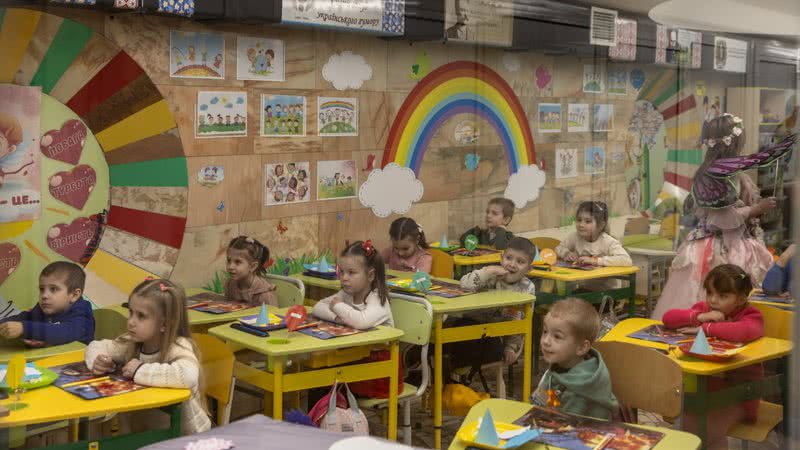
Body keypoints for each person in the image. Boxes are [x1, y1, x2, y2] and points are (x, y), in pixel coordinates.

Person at [651, 115, 792, 319]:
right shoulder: (715, 176)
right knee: (714, 289)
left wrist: (754, 205)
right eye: (741, 141)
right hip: (717, 245)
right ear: (733, 143)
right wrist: (754, 210)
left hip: (732, 239)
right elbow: (723, 218)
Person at [86, 279, 211, 435]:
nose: (131, 322)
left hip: (186, 438)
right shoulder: (131, 343)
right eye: (130, 312)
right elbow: (96, 345)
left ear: (165, 324)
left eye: (141, 316)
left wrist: (140, 370)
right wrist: (99, 360)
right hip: (148, 434)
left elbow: (188, 376)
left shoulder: (178, 346)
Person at [662, 264, 764, 450]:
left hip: (741, 395)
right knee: (690, 425)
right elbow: (668, 318)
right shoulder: (705, 309)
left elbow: (745, 331)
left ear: (741, 298)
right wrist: (700, 317)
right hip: (704, 391)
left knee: (702, 430)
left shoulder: (750, 314)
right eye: (710, 293)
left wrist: (706, 328)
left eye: (723, 296)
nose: (713, 300)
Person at [531, 298, 618, 420]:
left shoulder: (580, 389)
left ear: (582, 347)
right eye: (545, 332)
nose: (545, 341)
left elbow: (567, 428)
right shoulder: (560, 367)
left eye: (557, 336)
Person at [458, 237, 538, 365]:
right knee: (451, 338)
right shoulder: (490, 276)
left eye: (520, 261)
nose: (512, 264)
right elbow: (464, 286)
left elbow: (521, 323)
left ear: (529, 269)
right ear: (501, 258)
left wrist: (511, 347)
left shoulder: (527, 288)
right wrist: (488, 271)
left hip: (497, 336)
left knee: (480, 350)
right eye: (508, 258)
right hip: (471, 325)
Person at [0, 261, 94, 346]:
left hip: (75, 361)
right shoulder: (44, 307)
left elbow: (64, 332)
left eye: (53, 289)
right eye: (42, 289)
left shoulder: (82, 312)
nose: (44, 295)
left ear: (74, 295)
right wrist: (3, 324)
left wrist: (24, 328)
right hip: (47, 358)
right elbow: (26, 317)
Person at [312, 240, 393, 329]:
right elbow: (317, 307)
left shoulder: (378, 298)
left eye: (351, 272)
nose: (344, 278)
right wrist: (337, 318)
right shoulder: (346, 294)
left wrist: (338, 306)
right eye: (342, 272)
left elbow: (361, 322)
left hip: (381, 343)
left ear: (370, 275)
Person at [555, 201, 632, 267]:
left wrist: (596, 261)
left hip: (603, 284)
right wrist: (566, 253)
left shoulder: (608, 241)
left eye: (588, 221)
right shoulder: (575, 237)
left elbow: (626, 260)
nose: (581, 225)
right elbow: (558, 248)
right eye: (579, 220)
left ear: (601, 225)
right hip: (579, 282)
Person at [224, 236, 277, 306]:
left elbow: (272, 315)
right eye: (229, 260)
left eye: (237, 262)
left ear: (253, 266)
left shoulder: (264, 294)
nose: (230, 267)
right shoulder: (230, 285)